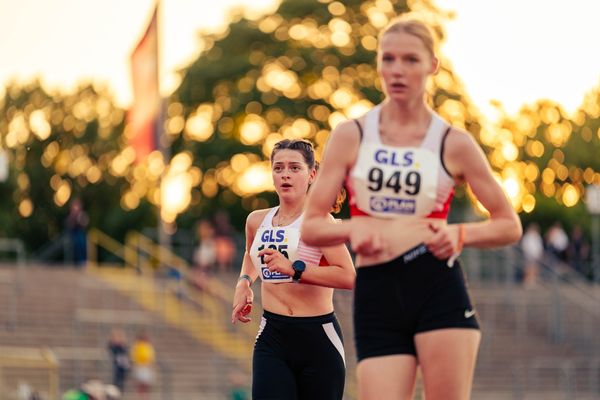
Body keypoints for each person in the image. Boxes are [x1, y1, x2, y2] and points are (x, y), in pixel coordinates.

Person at [301, 14, 522, 400]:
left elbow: (508, 225)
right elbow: (312, 225)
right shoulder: (351, 135)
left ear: (432, 65)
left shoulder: (453, 142)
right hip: (377, 291)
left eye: (410, 60)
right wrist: (353, 229)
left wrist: (461, 233)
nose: (397, 70)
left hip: (436, 285)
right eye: (388, 59)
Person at [231, 139, 355, 400]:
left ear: (311, 175)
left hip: (318, 339)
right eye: (278, 168)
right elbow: (251, 255)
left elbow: (348, 276)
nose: (285, 174)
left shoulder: (320, 223)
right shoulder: (257, 220)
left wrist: (295, 270)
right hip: (273, 336)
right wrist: (244, 282)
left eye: (294, 168)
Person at [130, 331, 156, 399]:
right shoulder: (137, 346)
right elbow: (134, 357)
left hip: (147, 366)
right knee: (140, 384)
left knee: (146, 384)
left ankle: (145, 397)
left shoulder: (148, 346)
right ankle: (140, 397)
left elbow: (151, 357)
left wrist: (150, 365)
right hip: (140, 366)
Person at [66, 197, 89, 267]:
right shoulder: (71, 215)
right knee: (74, 247)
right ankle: (76, 262)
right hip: (73, 233)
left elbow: (85, 222)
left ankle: (82, 261)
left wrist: (80, 221)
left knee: (81, 245)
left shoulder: (81, 214)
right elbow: (69, 224)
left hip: (79, 232)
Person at [521, 223, 544, 287]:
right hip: (529, 255)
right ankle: (527, 281)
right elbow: (525, 246)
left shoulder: (537, 236)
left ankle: (533, 280)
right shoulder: (527, 237)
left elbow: (539, 246)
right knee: (528, 268)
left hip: (536, 255)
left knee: (535, 268)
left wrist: (539, 254)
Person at [107, 328, 130, 393]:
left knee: (121, 382)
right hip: (115, 366)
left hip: (122, 366)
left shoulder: (122, 346)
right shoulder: (112, 346)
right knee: (115, 381)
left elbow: (126, 353)